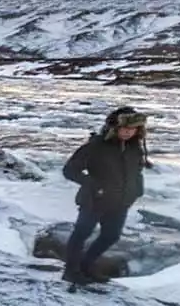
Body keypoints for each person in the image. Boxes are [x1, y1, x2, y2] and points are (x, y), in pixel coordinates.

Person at [62, 107, 150, 285]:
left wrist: (137, 189)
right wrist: (93, 185)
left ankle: (86, 266)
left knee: (111, 236)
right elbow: (70, 170)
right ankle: (71, 271)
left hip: (121, 201)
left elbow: (137, 170)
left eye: (132, 129)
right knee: (81, 233)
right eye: (124, 128)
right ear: (114, 127)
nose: (127, 132)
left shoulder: (135, 148)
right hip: (94, 200)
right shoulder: (96, 145)